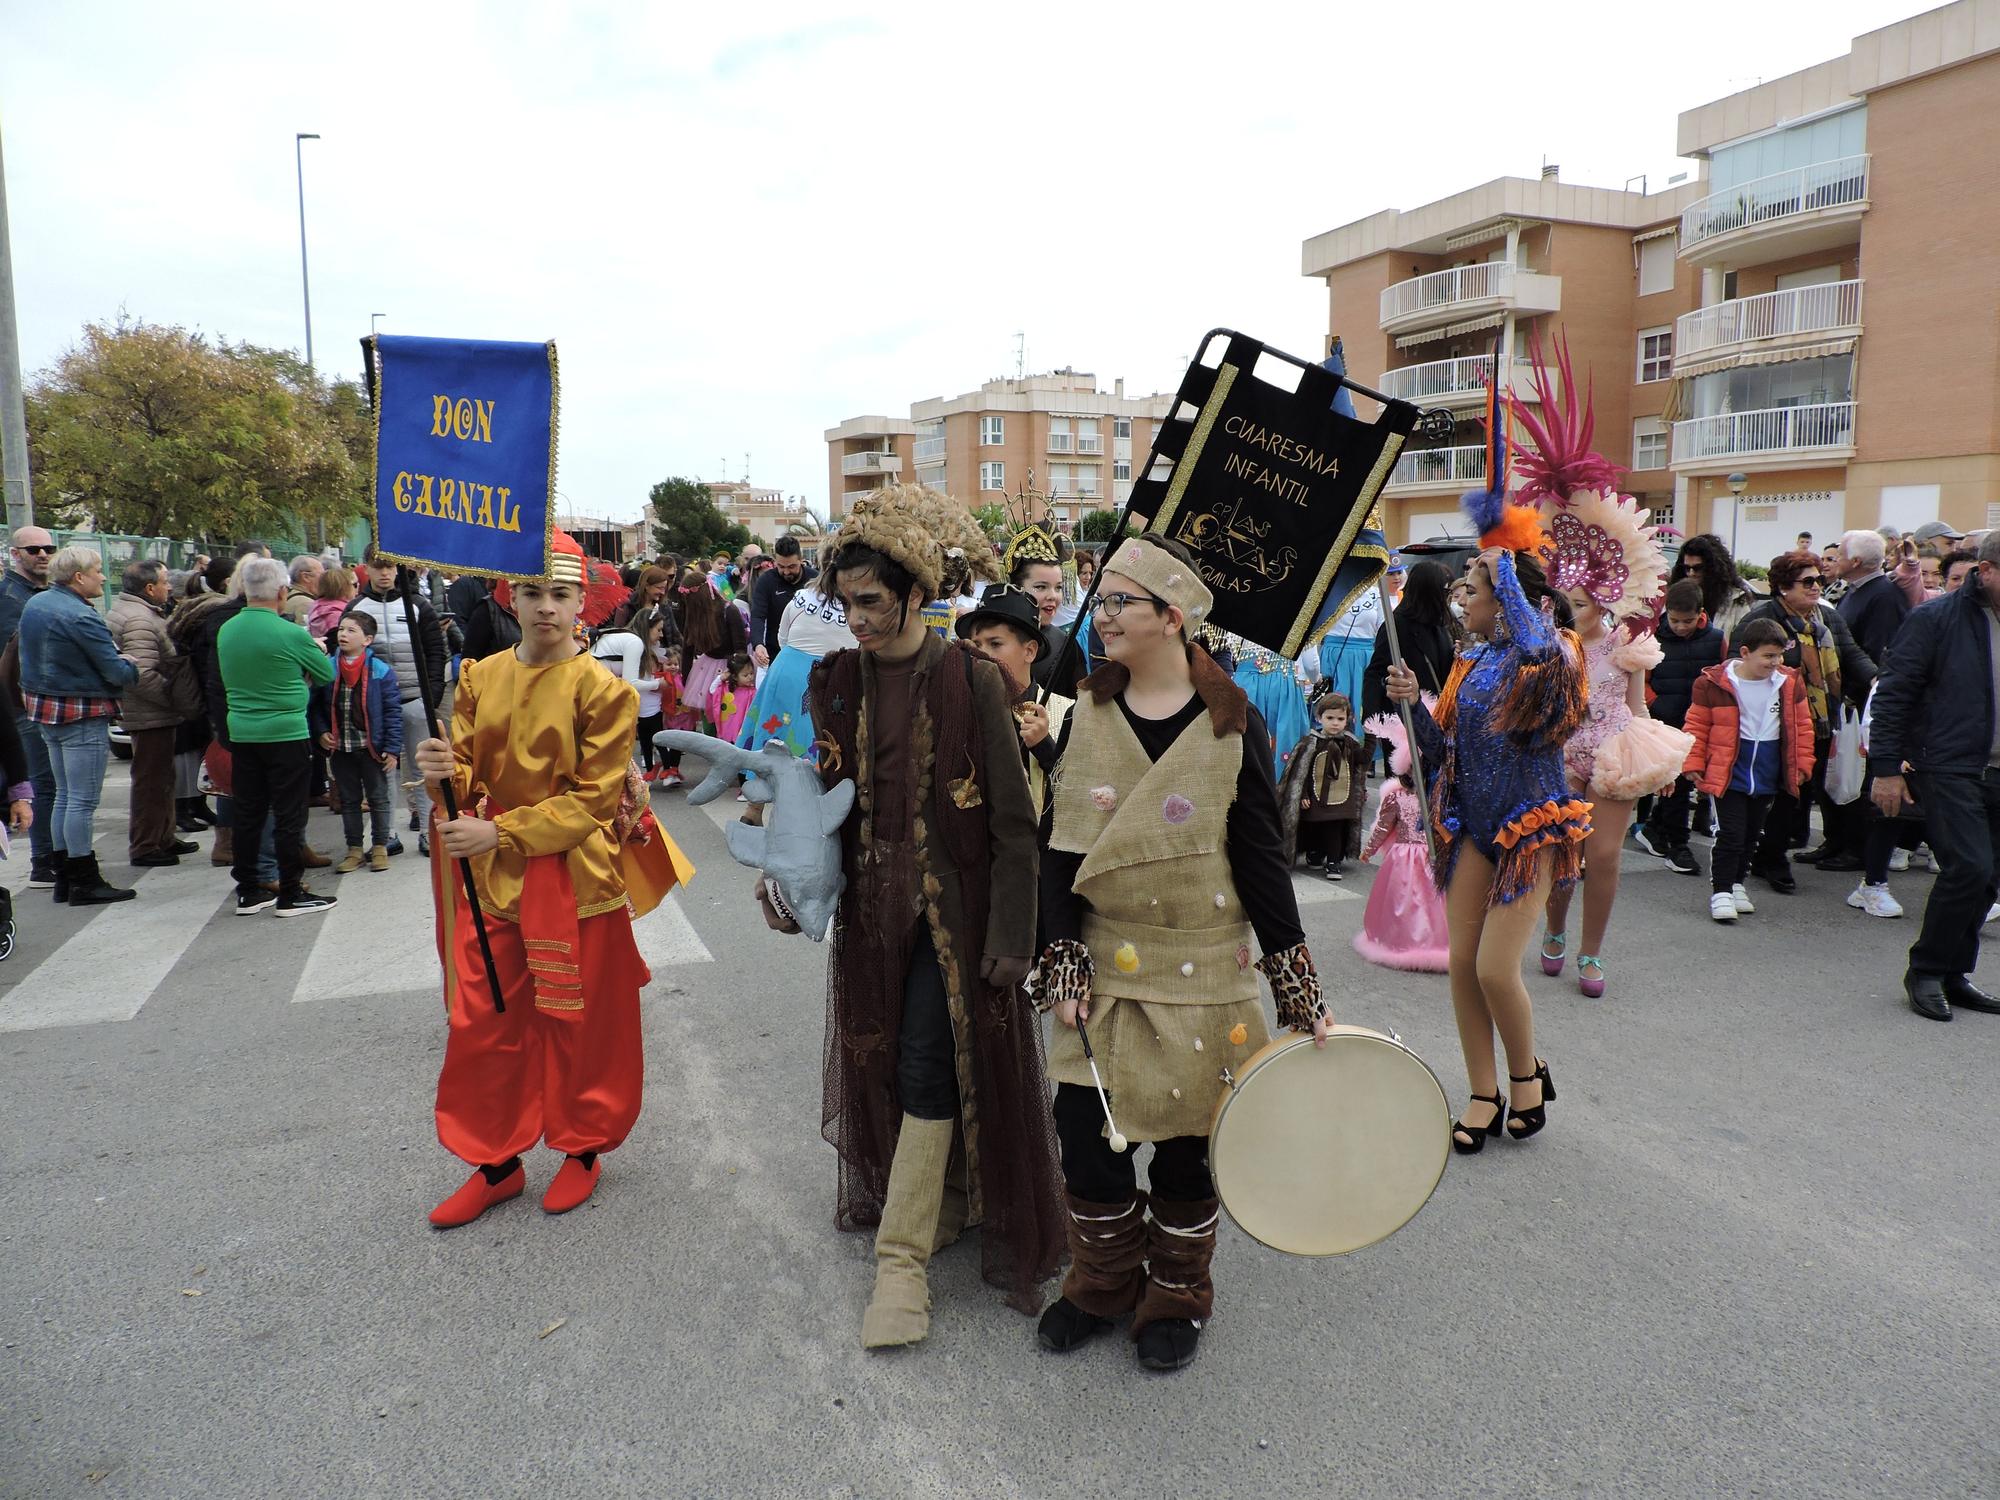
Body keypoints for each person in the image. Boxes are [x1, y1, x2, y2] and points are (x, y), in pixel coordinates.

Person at [761, 484, 1060, 1350]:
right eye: (842, 600)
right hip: (867, 915)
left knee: (930, 1062)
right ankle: (949, 1198)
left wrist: (1013, 936)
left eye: (871, 600)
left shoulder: (973, 679)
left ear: (916, 596)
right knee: (883, 1060)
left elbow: (1013, 824)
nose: (854, 617)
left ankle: (903, 1266)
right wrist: (787, 882)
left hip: (953, 921)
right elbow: (815, 801)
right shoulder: (833, 679)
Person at [1031, 533, 1329, 1372]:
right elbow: (1058, 849)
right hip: (1103, 965)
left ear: (1172, 616)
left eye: (1119, 601)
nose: (1102, 615)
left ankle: (1177, 1292)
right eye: (1102, 598)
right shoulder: (1082, 713)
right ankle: (1102, 1279)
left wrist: (1298, 991)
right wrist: (1062, 956)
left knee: (1191, 1145)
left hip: (1205, 967)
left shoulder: (1234, 722)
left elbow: (1263, 861)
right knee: (1084, 1134)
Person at [413, 529, 683, 1224]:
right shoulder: (480, 676)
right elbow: (469, 768)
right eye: (531, 592)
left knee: (580, 1022)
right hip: (490, 873)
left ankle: (582, 1147)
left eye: (559, 594)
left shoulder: (603, 691)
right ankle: (495, 1162)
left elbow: (593, 801)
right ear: (511, 597)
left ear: (582, 603)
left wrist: (499, 829)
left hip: (571, 877)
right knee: (484, 1018)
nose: (544, 608)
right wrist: (448, 772)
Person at [1386, 542, 1584, 1155]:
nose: (1459, 600)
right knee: (1465, 968)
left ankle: (1526, 1073)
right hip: (1472, 829)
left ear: (1511, 603)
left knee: (1497, 970)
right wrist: (1410, 701)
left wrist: (1507, 576)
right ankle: (1482, 1090)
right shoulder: (1468, 663)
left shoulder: (1555, 655)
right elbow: (1443, 749)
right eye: (1461, 590)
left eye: (1471, 590)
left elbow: (1542, 660)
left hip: (1530, 831)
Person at [1509, 369, 1686, 1000]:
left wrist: (1648, 757)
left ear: (1601, 601)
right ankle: (1554, 932)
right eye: (1566, 598)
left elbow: (1637, 708)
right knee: (1562, 853)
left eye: (1582, 599)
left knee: (1605, 856)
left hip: (1610, 750)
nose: (1573, 606)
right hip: (1559, 750)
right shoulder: (1550, 647)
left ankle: (1592, 951)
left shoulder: (1626, 647)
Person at [1866, 531, 2000, 1022]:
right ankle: (1924, 970)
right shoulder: (1935, 619)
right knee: (1968, 866)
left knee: (1989, 877)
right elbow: (1894, 694)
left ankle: (1953, 973)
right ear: (1986, 572)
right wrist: (1885, 769)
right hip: (1949, 764)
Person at [16, 547, 141, 905]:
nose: (103, 577)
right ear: (79, 577)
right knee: (81, 801)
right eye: (98, 570)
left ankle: (65, 877)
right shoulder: (80, 616)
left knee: (64, 796)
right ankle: (84, 879)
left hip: (45, 710)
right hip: (80, 712)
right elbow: (115, 671)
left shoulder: (37, 604)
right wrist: (130, 663)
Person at [1739, 550, 1873, 883]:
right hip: (1776, 720)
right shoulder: (1763, 619)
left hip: (1822, 717)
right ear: (1784, 587)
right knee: (1784, 792)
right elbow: (1739, 665)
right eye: (1808, 581)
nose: (1816, 587)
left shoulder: (1826, 617)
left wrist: (1877, 679)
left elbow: (1851, 651)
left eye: (1820, 580)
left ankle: (1800, 849)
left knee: (1812, 787)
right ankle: (1770, 859)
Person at [217, 557, 337, 918]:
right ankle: (290, 892)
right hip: (286, 732)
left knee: (249, 812)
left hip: (242, 731)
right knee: (289, 814)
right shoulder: (290, 633)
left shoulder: (228, 629)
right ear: (282, 592)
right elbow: (324, 674)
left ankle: (248, 888)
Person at [1681, 619, 1814, 922]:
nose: (1775, 662)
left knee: (1753, 833)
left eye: (1779, 655)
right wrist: (1693, 763)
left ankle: (1738, 883)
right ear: (1745, 652)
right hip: (1729, 769)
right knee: (1731, 834)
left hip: (1766, 770)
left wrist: (1802, 764)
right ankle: (1722, 891)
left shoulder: (1789, 682)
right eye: (1768, 656)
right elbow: (1697, 726)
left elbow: (1802, 727)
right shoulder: (1712, 683)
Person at [346, 550, 451, 855]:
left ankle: (428, 831)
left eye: (389, 566)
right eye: (377, 567)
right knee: (382, 770)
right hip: (375, 705)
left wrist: (431, 695)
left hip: (416, 697)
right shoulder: (357, 608)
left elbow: (435, 651)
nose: (384, 574)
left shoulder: (418, 605)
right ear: (367, 568)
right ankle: (386, 833)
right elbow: (348, 655)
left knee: (423, 769)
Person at [107, 559, 198, 868]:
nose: (169, 587)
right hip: (149, 714)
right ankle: (147, 844)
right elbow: (141, 674)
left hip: (152, 712)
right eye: (163, 582)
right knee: (151, 779)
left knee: (161, 777)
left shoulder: (139, 613)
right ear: (150, 588)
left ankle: (163, 836)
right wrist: (175, 699)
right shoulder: (139, 620)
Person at [953, 583, 1069, 819]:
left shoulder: (1066, 712)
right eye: (976, 644)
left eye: (995, 644)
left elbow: (1085, 795)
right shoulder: (960, 708)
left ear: (1030, 651)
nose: (981, 654)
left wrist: (1045, 747)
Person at [1634, 579, 1725, 876]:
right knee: (1677, 783)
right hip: (1666, 722)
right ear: (1665, 612)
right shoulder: (1651, 637)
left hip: (1700, 722)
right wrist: (1655, 704)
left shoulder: (1716, 639)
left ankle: (1654, 828)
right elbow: (1641, 681)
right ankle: (1678, 845)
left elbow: (1722, 676)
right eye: (1674, 620)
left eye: (1687, 621)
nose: (1681, 627)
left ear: (1700, 614)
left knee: (1686, 780)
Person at [1354, 707, 1449, 972]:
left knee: (1429, 901)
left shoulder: (1436, 797)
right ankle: (1405, 940)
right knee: (1407, 900)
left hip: (1425, 855)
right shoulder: (1398, 797)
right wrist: (1369, 849)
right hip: (1411, 857)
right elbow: (1383, 826)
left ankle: (1431, 942)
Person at [735, 570, 855, 771]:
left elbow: (783, 638)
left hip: (789, 668)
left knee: (776, 731)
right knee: (816, 735)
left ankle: (758, 795)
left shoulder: (800, 601)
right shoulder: (857, 610)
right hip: (830, 674)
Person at [311, 612, 403, 874]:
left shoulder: (380, 670)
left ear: (368, 640)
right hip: (341, 747)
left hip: (370, 747)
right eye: (341, 629)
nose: (343, 635)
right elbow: (315, 706)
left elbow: (392, 712)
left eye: (352, 630)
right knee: (349, 800)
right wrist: (320, 732)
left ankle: (380, 847)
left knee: (378, 798)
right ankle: (353, 849)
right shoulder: (327, 667)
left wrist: (392, 748)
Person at [0, 525, 58, 888]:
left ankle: (52, 857)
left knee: (48, 783)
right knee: (41, 784)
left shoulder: (40, 592)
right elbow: (17, 654)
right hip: (20, 706)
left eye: (47, 548)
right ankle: (43, 861)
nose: (42, 555)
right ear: (15, 554)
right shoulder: (10, 597)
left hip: (36, 703)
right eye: (33, 549)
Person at [1278, 686, 1366, 879]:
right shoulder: (1310, 742)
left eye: (1340, 719)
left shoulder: (1350, 743)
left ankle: (1334, 862)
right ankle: (1315, 853)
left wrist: (1373, 736)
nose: (1335, 723)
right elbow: (1300, 773)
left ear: (1348, 720)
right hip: (1315, 797)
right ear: (1319, 718)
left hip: (1342, 797)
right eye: (1330, 718)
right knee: (1315, 825)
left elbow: (1362, 760)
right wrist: (1303, 794)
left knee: (1334, 827)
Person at [1361, 559, 1457, 721]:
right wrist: (1374, 722)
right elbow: (1376, 673)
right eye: (1445, 592)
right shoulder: (1396, 626)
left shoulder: (1440, 625)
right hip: (1404, 721)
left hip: (1438, 716)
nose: (1448, 599)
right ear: (1429, 592)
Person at [592, 605, 676, 780]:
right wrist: (657, 683)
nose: (661, 635)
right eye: (659, 630)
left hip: (598, 684)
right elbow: (630, 683)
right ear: (648, 627)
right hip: (596, 686)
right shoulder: (634, 642)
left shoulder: (628, 638)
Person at [674, 565, 747, 735]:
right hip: (706, 668)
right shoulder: (694, 615)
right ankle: (711, 747)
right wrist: (686, 677)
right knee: (709, 714)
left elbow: (740, 647)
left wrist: (736, 674)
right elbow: (688, 648)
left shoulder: (729, 610)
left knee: (728, 713)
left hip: (730, 667)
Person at [1669, 534, 1757, 643]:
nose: (1691, 573)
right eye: (1687, 568)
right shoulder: (1674, 597)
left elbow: (1746, 641)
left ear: (1713, 568)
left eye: (1697, 568)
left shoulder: (1736, 600)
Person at [748, 536, 816, 666]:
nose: (786, 572)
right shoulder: (766, 581)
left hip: (809, 649)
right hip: (776, 652)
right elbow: (758, 616)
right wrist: (758, 644)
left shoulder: (815, 579)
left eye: (792, 566)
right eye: (781, 566)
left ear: (801, 560)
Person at [706, 652, 758, 752]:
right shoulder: (726, 688)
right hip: (727, 728)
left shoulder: (752, 691)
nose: (750, 677)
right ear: (734, 676)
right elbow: (712, 690)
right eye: (745, 675)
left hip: (743, 729)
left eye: (751, 673)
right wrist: (720, 678)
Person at [309, 566, 356, 642]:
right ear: (344, 587)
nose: (358, 587)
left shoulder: (317, 607)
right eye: (355, 585)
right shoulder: (339, 614)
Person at [284, 555, 324, 626]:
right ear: (306, 577)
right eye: (322, 575)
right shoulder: (305, 604)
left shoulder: (286, 595)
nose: (325, 579)